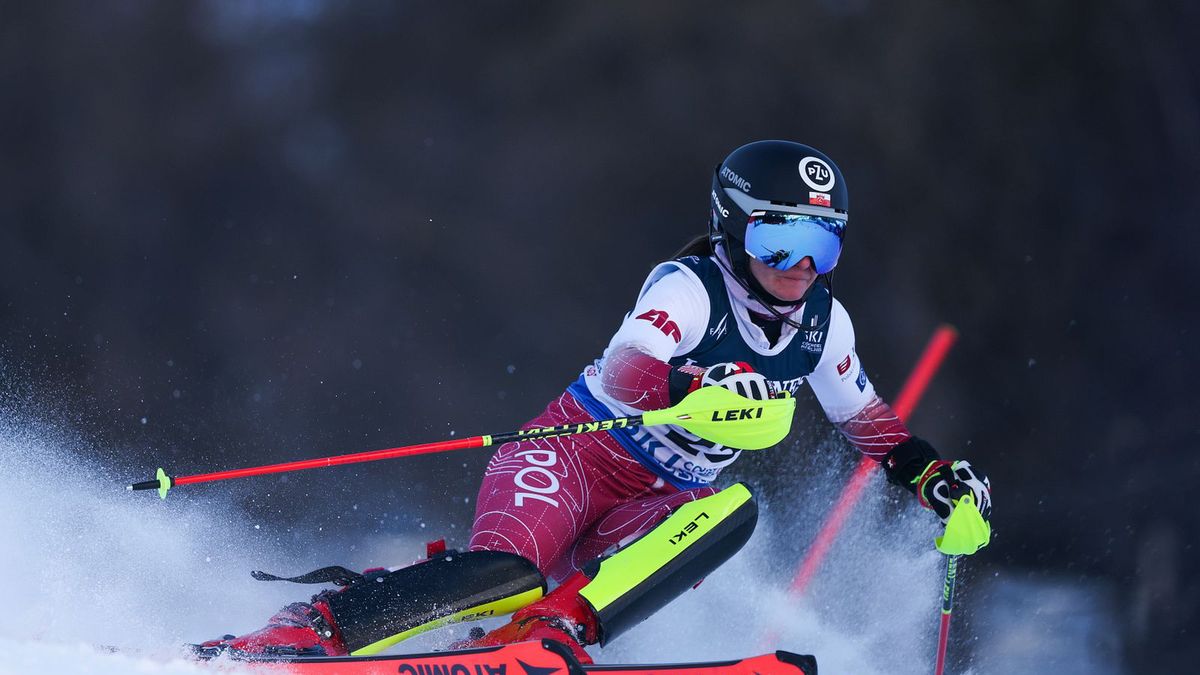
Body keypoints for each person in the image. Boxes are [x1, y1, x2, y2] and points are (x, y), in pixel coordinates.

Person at [198, 140, 993, 663]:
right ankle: (321, 624)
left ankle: (553, 634)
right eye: (777, 243)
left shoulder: (826, 321)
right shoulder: (689, 287)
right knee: (512, 568)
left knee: (732, 507)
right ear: (732, 232)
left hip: (656, 500)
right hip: (572, 455)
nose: (798, 269)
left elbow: (869, 425)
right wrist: (701, 389)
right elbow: (626, 372)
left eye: (821, 248)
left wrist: (936, 481)